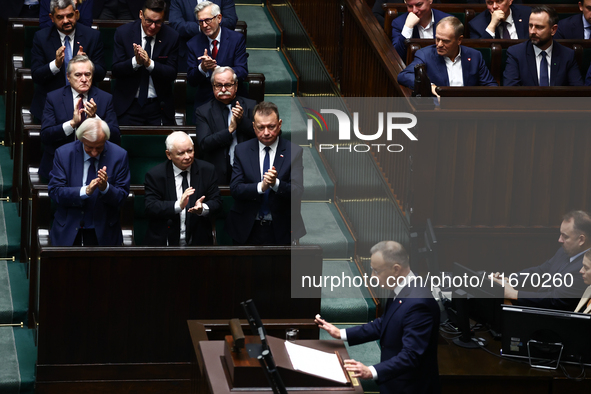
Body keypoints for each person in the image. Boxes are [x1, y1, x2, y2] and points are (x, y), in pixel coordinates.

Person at [315, 241, 440, 394]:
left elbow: (411, 355)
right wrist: (340, 333)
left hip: (409, 388)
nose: (373, 276)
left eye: (376, 271)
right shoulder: (402, 289)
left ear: (395, 269)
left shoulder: (419, 305)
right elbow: (385, 323)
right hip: (394, 382)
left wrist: (371, 371)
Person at [225, 101, 305, 245]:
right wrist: (261, 187)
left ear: (279, 124)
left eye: (271, 126)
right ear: (254, 126)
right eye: (261, 127)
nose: (266, 132)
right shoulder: (242, 151)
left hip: (280, 227)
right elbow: (235, 189)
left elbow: (297, 191)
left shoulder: (294, 152)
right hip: (246, 227)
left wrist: (276, 184)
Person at [48, 118, 130, 246]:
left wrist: (106, 188)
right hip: (68, 229)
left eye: (99, 147)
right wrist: (84, 191)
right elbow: (55, 191)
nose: (94, 152)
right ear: (81, 140)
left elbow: (122, 198)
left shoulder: (119, 156)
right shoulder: (64, 154)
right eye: (89, 147)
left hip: (104, 232)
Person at [40, 55, 120, 180]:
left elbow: (115, 136)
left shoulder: (105, 98)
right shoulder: (54, 98)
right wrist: (72, 124)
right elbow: (45, 136)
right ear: (68, 77)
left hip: (96, 162)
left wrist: (95, 119)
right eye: (78, 75)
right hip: (61, 163)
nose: (84, 79)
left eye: (87, 75)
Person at [493, 210, 591, 311]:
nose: (560, 240)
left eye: (565, 236)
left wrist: (513, 294)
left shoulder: (585, 268)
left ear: (581, 240)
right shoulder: (564, 251)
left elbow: (555, 300)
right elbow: (540, 272)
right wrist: (506, 281)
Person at [30, 0, 106, 121]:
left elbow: (101, 74)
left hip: (85, 105)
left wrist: (86, 64)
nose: (66, 21)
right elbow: (36, 75)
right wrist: (56, 64)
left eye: (69, 15)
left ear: (76, 14)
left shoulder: (92, 36)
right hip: (50, 107)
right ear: (52, 18)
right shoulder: (41, 38)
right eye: (60, 17)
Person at [144, 131, 222, 246]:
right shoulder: (155, 175)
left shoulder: (207, 170)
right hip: (164, 244)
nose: (187, 157)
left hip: (198, 243)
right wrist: (178, 205)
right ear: (169, 155)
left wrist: (203, 208)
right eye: (181, 153)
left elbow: (217, 202)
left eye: (190, 151)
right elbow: (150, 206)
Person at [111, 0, 179, 126]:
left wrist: (149, 64)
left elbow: (172, 73)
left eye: (158, 22)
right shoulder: (123, 33)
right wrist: (135, 62)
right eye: (149, 21)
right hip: (129, 106)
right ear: (141, 14)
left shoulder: (171, 37)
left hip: (158, 106)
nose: (153, 26)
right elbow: (116, 69)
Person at [397, 17, 497, 95]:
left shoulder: (475, 56)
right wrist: (429, 86)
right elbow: (404, 76)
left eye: (445, 41)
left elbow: (490, 85)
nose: (439, 44)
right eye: (437, 39)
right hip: (438, 110)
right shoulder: (425, 55)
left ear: (459, 40)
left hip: (469, 109)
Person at [195, 66, 256, 185]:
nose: (223, 89)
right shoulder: (203, 111)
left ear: (236, 86)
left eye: (228, 85)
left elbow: (261, 135)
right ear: (213, 87)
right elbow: (204, 144)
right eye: (218, 85)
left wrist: (242, 121)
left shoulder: (251, 106)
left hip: (248, 169)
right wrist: (229, 131)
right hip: (217, 171)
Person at [186, 1, 248, 110]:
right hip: (205, 103)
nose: (204, 25)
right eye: (200, 22)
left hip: (233, 101)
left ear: (219, 18)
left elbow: (242, 71)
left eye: (208, 20)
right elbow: (191, 80)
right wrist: (202, 68)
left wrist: (218, 69)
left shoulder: (236, 39)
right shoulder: (193, 44)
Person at [503, 6, 584, 86]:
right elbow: (511, 91)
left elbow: (577, 91)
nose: (532, 31)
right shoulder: (516, 53)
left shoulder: (567, 55)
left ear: (553, 30)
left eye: (539, 27)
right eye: (530, 26)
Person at [169, 0, 238, 72]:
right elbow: (177, 25)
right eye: (201, 21)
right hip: (188, 53)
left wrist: (209, 24)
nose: (204, 25)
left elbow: (230, 21)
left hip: (222, 49)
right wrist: (203, 25)